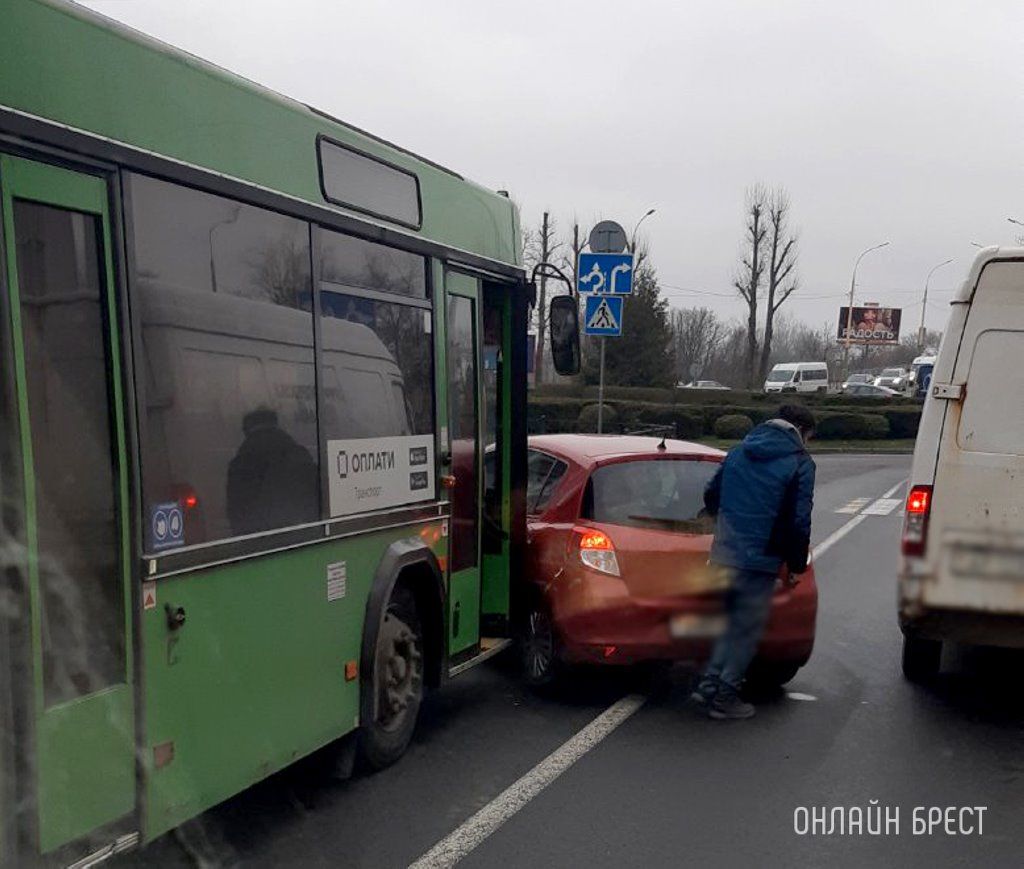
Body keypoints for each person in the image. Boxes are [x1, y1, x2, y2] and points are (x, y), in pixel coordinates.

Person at [692, 404, 816, 719]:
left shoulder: (738, 452)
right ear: (800, 430)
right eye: (809, 437)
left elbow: (711, 496)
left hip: (724, 553)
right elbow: (799, 521)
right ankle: (725, 695)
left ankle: (707, 686)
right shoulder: (800, 464)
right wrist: (796, 564)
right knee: (746, 629)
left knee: (728, 622)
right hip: (760, 559)